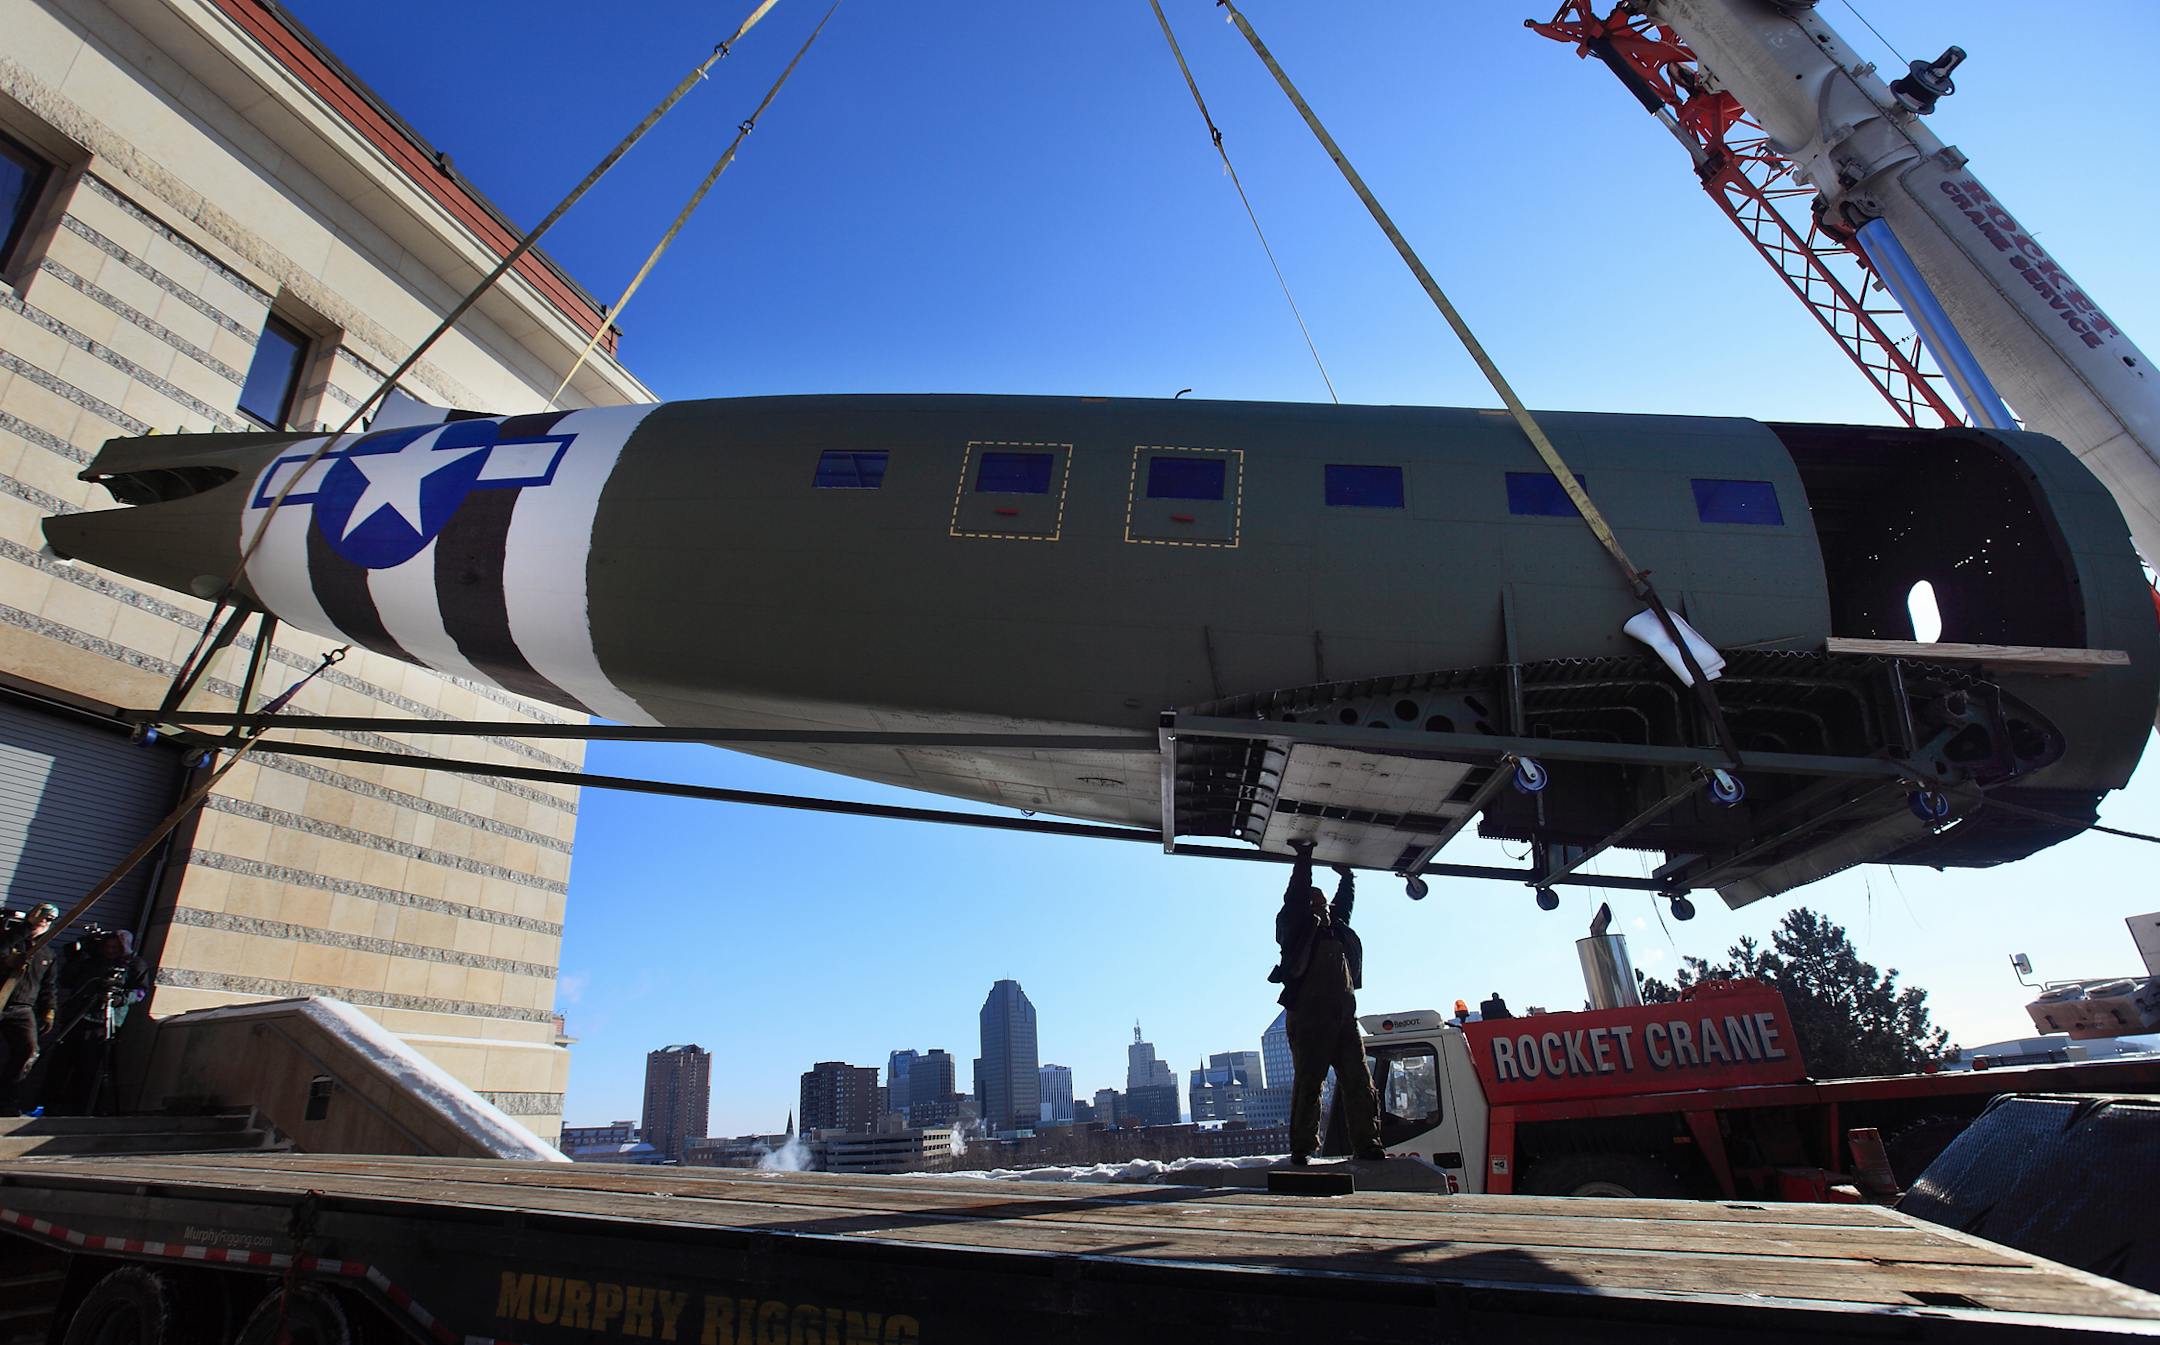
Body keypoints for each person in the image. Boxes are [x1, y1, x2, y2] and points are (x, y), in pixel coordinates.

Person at [1267, 841, 1382, 1164]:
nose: (1323, 905)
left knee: (1359, 1082)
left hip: (1344, 1020)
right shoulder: (1297, 928)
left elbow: (1343, 902)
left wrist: (1348, 879)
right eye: (1315, 900)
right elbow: (1296, 892)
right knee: (1309, 1084)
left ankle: (1368, 1143)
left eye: (1323, 901)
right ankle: (1302, 1147)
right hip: (1309, 1020)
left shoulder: (1338, 929)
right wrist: (1304, 857)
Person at [47, 929, 148, 1115]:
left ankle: (79, 1110)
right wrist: (76, 957)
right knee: (59, 1064)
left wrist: (121, 999)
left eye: (115, 947)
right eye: (108, 946)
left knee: (88, 1068)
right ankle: (48, 1105)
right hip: (77, 1017)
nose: (110, 951)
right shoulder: (92, 962)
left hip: (104, 1022)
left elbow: (140, 992)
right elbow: (67, 981)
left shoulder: (134, 964)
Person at [0, 904, 60, 1115]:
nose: (44, 922)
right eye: (41, 917)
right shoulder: (9, 938)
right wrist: (26, 927)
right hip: (1, 998)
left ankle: (6, 1099)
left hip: (22, 1008)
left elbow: (48, 986)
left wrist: (48, 1010)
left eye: (48, 920)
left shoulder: (48, 953)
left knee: (29, 1052)